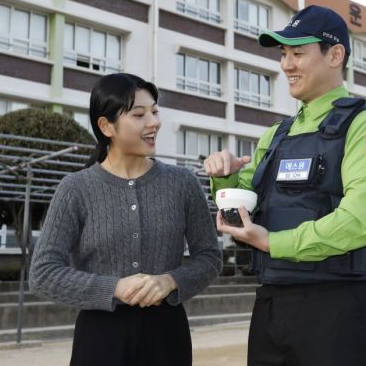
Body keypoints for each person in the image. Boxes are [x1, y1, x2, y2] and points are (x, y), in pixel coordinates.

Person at [204, 5, 366, 366]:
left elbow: (361, 220)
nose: (286, 65)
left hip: (339, 307)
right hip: (272, 304)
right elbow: (240, 208)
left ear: (335, 55)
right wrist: (225, 177)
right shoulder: (276, 135)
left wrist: (273, 242)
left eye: (298, 53)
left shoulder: (364, 124)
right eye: (283, 54)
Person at [30, 73, 222, 366]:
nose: (153, 122)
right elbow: (43, 272)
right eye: (139, 114)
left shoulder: (183, 183)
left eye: (155, 112)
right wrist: (114, 288)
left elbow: (209, 257)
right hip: (100, 337)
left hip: (167, 335)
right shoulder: (76, 189)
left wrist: (169, 281)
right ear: (107, 126)